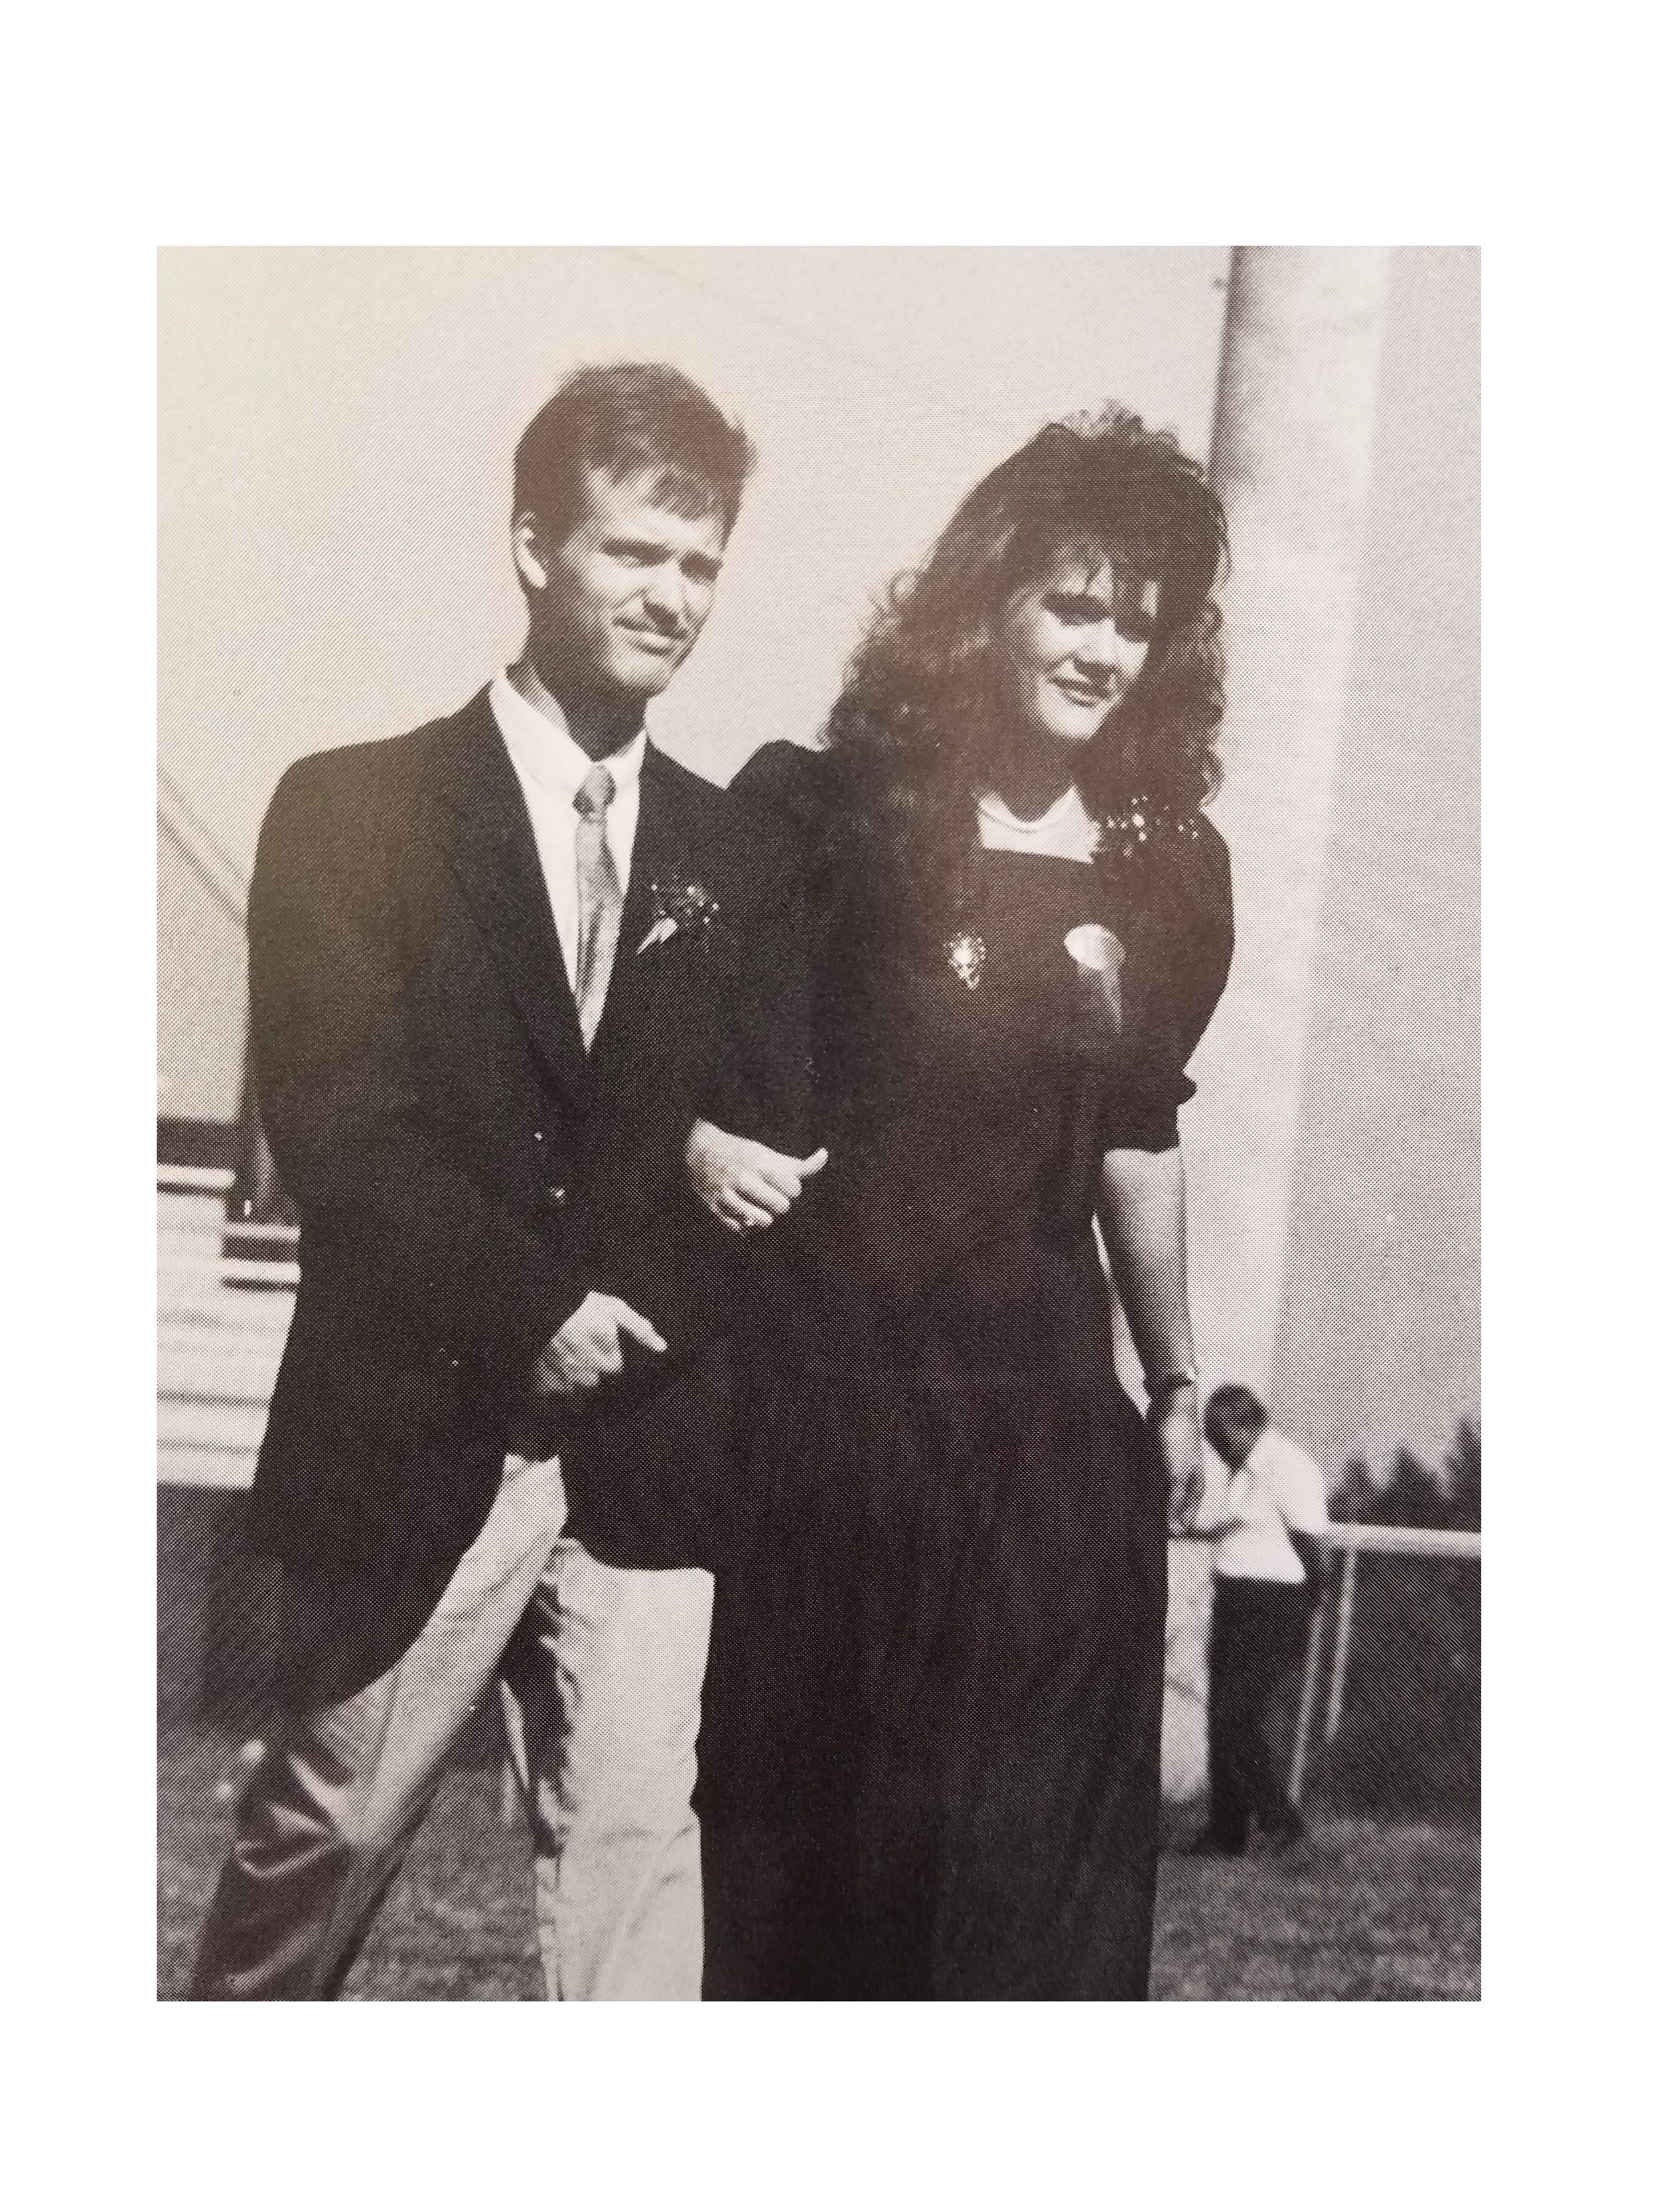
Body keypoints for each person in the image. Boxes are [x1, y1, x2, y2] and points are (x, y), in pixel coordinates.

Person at [189, 362, 818, 2001]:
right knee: (324, 1840)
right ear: (536, 546)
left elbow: (760, 1140)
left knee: (630, 1870)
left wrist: (648, 1293)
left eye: (700, 565)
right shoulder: (355, 810)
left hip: (651, 1446)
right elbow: (343, 1122)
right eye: (633, 553)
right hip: (422, 1421)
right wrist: (532, 1310)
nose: (671, 597)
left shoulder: (736, 855)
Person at [692, 404, 1235, 2000]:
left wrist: (1179, 1380)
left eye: (1135, 622)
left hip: (1039, 1450)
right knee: (804, 1917)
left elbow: (1137, 1130)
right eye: (1071, 604)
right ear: (988, 599)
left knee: (1009, 1928)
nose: (1099, 649)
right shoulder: (818, 812)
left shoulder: (1168, 871)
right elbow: (695, 1063)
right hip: (824, 1432)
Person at [1187, 1384, 1331, 1857]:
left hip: (1274, 1605)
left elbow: (1314, 1549)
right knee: (1220, 1718)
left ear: (1246, 1424)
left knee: (1235, 1714)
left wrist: (1301, 1611)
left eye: (1218, 1433)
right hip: (1235, 1601)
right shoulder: (1242, 1474)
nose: (1213, 1444)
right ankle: (1226, 1831)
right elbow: (1239, 1526)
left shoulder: (1287, 1466)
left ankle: (1281, 1821)